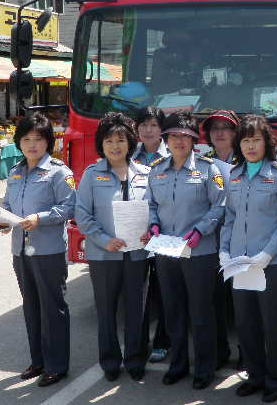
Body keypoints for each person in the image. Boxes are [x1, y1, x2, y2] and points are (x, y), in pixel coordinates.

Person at [220, 115, 277, 403]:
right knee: (245, 321)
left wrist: (268, 253)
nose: (251, 146)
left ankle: (275, 378)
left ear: (266, 143)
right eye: (246, 140)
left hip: (269, 264)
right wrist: (224, 250)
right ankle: (254, 375)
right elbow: (229, 217)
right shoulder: (234, 175)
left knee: (271, 323)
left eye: (256, 140)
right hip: (239, 263)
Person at [147, 111, 226, 390]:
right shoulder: (156, 170)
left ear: (194, 140)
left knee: (201, 310)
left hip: (199, 252)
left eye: (185, 136)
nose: (179, 141)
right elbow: (151, 205)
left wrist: (200, 230)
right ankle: (178, 364)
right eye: (173, 136)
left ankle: (205, 367)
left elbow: (220, 206)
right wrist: (153, 225)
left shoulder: (209, 169)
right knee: (173, 310)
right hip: (166, 251)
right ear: (165, 139)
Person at [0, 112, 75, 387]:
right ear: (19, 142)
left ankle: (57, 365)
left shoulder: (59, 172)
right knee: (31, 306)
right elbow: (8, 204)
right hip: (20, 250)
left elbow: (69, 208)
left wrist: (39, 218)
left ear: (48, 142)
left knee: (52, 307)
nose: (32, 145)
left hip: (48, 251)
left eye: (38, 139)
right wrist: (4, 220)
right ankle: (38, 360)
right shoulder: (15, 171)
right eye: (27, 139)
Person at [75, 112, 150, 382]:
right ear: (101, 145)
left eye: (120, 140)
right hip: (104, 254)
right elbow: (82, 214)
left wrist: (151, 231)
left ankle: (135, 359)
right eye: (109, 141)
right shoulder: (91, 174)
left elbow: (154, 210)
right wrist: (104, 239)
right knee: (106, 310)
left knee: (136, 309)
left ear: (130, 142)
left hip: (137, 253)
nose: (115, 146)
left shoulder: (146, 174)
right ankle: (110, 361)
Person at [201, 109, 241, 370]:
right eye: (214, 128)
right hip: (211, 240)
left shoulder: (247, 157)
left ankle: (247, 352)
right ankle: (219, 351)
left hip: (242, 239)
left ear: (236, 133)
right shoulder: (203, 162)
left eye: (225, 128)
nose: (220, 133)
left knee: (242, 300)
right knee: (214, 299)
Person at [133, 107, 171, 364]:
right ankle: (139, 342)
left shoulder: (171, 156)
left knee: (164, 289)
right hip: (135, 235)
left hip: (164, 233)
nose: (148, 130)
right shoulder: (129, 154)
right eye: (143, 125)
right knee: (139, 291)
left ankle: (162, 342)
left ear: (162, 130)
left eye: (154, 125)